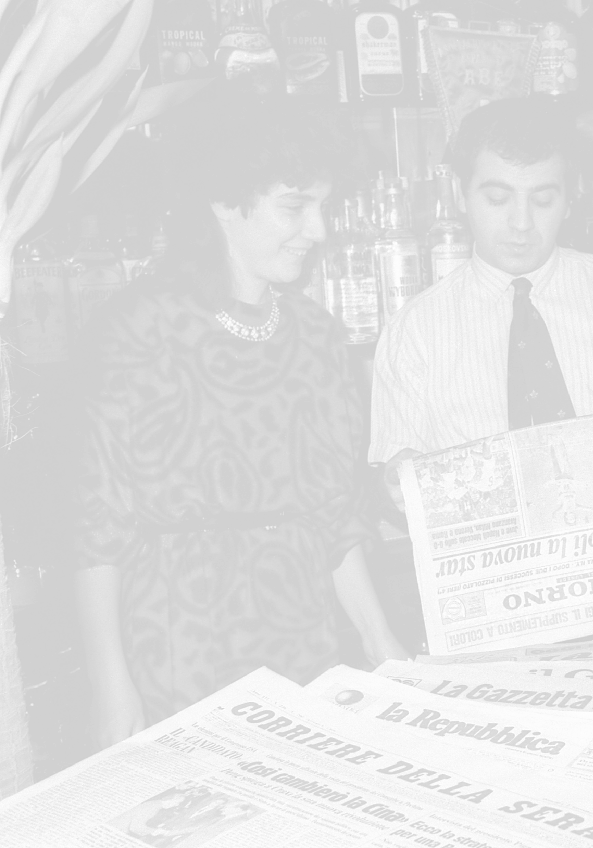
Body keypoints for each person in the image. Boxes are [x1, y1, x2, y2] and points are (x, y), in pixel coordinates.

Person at [74, 88, 408, 749]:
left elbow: (334, 519)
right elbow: (95, 531)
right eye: (295, 206)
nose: (319, 229)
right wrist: (110, 686)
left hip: (304, 638)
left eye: (324, 206)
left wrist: (383, 645)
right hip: (177, 643)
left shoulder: (317, 336)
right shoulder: (139, 330)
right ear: (225, 203)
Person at [369, 95, 593, 474]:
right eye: (497, 199)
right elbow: (395, 469)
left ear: (569, 201)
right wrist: (396, 479)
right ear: (461, 196)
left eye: (542, 200)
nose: (521, 223)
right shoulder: (414, 331)